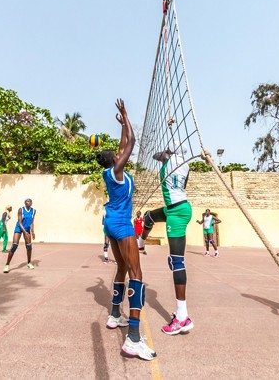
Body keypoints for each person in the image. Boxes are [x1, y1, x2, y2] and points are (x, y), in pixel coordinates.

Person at [97, 98, 156, 361]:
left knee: (121, 268)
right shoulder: (117, 171)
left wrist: (121, 124)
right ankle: (133, 338)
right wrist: (127, 116)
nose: (120, 153)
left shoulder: (112, 171)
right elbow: (131, 143)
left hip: (111, 222)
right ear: (115, 161)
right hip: (121, 224)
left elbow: (124, 143)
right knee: (136, 274)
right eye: (117, 155)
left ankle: (113, 315)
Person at [138, 140, 194, 336]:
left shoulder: (167, 161)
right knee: (148, 216)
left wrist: (165, 155)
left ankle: (182, 317)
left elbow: (156, 156)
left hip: (176, 213)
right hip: (176, 208)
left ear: (170, 153)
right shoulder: (185, 164)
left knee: (176, 262)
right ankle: (141, 242)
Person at [4, 199, 36, 272]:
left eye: (30, 201)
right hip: (19, 227)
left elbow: (32, 222)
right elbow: (20, 222)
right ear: (25, 203)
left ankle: (29, 262)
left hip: (27, 228)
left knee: (29, 246)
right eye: (28, 201)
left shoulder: (33, 210)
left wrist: (32, 232)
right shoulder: (21, 209)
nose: (29, 202)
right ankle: (7, 265)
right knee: (14, 245)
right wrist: (24, 232)